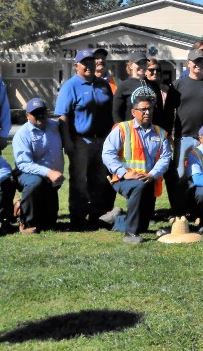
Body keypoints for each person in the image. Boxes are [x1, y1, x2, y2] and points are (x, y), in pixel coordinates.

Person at [54, 49, 115, 229]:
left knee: (99, 179)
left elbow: (110, 112)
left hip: (102, 140)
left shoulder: (103, 85)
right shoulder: (70, 86)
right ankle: (78, 217)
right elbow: (62, 117)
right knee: (79, 180)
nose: (89, 66)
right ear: (76, 66)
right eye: (84, 63)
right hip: (81, 140)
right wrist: (67, 142)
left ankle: (96, 215)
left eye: (91, 62)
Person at [165, 48, 203, 216]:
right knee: (180, 177)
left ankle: (201, 210)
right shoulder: (178, 85)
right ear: (188, 64)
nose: (198, 65)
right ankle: (179, 211)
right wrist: (167, 136)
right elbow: (168, 112)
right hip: (183, 138)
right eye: (195, 62)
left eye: (201, 62)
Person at [100, 96, 172, 243]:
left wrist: (153, 174)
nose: (147, 112)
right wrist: (124, 173)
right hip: (123, 179)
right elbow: (107, 154)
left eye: (150, 109)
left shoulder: (160, 133)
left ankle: (117, 219)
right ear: (133, 112)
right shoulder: (122, 129)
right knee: (138, 187)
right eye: (143, 109)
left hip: (148, 179)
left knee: (143, 224)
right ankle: (130, 234)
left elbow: (165, 158)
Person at [11, 98, 65, 234]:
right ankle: (26, 222)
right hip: (27, 174)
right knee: (35, 182)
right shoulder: (22, 134)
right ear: (27, 115)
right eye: (35, 113)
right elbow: (24, 164)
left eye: (42, 111)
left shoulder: (54, 126)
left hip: (50, 179)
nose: (40, 115)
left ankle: (19, 205)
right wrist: (49, 172)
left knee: (49, 223)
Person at [112, 52, 168, 130]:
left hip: (152, 130)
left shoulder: (154, 85)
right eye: (139, 63)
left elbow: (160, 111)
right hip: (132, 130)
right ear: (131, 66)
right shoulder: (123, 85)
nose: (142, 66)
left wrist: (161, 130)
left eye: (144, 63)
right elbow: (116, 112)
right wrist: (121, 130)